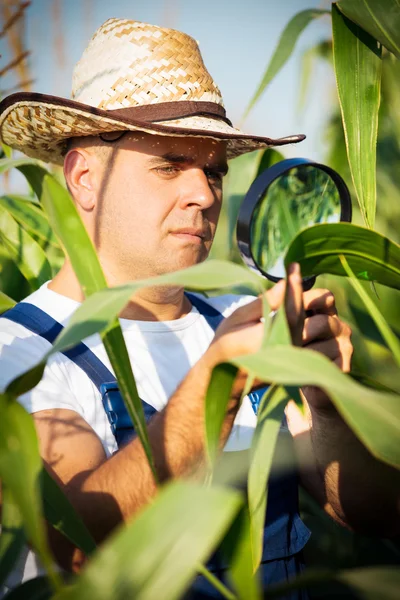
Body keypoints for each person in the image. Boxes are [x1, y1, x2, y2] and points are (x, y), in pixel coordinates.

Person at [0, 17, 398, 599]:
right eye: (169, 166)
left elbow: (369, 514)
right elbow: (82, 545)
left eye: (213, 172)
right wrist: (221, 378)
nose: (206, 194)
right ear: (84, 178)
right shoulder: (26, 352)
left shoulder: (241, 318)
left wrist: (329, 399)